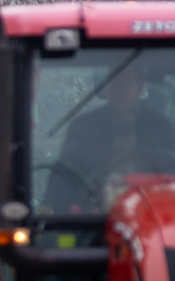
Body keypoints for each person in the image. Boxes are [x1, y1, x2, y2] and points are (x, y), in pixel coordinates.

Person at [46, 64, 175, 213]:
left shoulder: (160, 128)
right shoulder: (84, 127)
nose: (117, 86)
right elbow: (64, 175)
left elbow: (170, 176)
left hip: (148, 213)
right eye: (112, 80)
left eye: (124, 80)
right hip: (94, 212)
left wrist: (133, 182)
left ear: (140, 87)